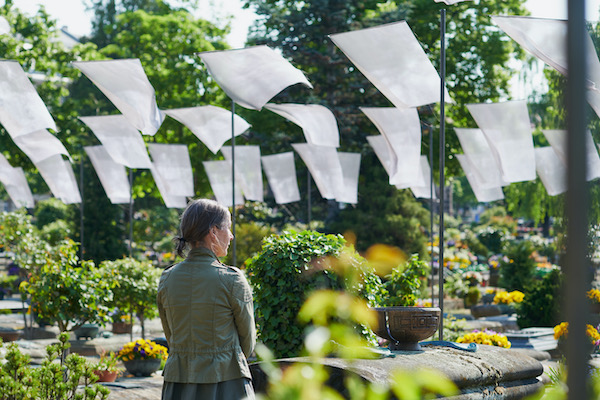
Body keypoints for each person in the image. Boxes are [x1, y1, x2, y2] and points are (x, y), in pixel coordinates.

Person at [158, 199, 256, 400]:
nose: (231, 235)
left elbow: (171, 335)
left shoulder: (167, 279)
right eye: (227, 228)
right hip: (226, 383)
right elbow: (247, 342)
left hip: (178, 384)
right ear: (213, 232)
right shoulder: (231, 279)